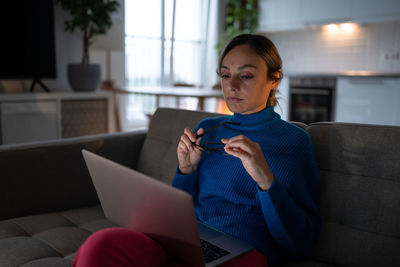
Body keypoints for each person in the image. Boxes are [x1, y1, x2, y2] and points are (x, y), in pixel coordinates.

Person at [73, 33, 321, 267]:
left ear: (274, 79)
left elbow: (300, 242)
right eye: (225, 75)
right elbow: (177, 209)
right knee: (100, 245)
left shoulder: (295, 142)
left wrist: (265, 179)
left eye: (245, 76)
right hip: (184, 241)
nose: (231, 86)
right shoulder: (207, 129)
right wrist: (186, 169)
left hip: (244, 252)